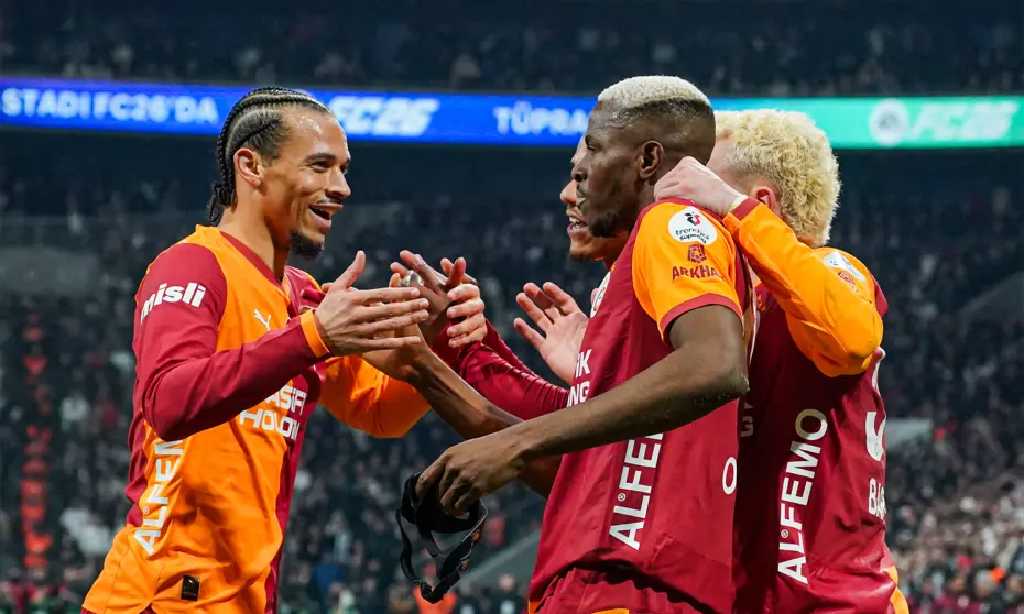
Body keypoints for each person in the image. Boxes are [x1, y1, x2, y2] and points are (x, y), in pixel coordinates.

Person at [82, 87, 439, 613]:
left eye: (343, 170)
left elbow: (380, 412)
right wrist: (311, 337)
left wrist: (437, 343)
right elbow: (168, 402)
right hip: (159, 598)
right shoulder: (193, 265)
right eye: (320, 166)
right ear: (251, 166)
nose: (341, 188)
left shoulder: (304, 298)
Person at [405, 76, 752, 613]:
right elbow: (583, 455)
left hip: (627, 582)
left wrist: (513, 442)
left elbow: (717, 364)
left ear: (647, 159)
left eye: (592, 148)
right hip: (610, 582)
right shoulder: (636, 285)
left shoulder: (671, 223)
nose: (576, 180)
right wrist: (459, 356)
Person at [653, 109, 908, 613]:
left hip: (840, 604)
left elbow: (852, 338)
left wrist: (736, 210)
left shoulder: (831, 268)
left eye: (706, 192)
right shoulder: (728, 317)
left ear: (760, 203)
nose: (692, 213)